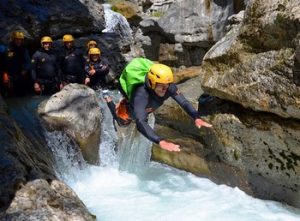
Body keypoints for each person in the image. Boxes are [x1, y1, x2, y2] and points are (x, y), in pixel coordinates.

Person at [104, 58, 212, 152]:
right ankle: (109, 100)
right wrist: (160, 141)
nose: (165, 89)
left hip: (146, 107)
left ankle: (124, 101)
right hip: (131, 109)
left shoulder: (168, 86)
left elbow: (183, 102)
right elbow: (140, 122)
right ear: (151, 83)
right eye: (161, 86)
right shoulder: (141, 95)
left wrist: (196, 117)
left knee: (143, 111)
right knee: (122, 122)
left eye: (167, 85)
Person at [2, 31, 31, 96]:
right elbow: (2, 62)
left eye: (20, 39)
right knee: (10, 95)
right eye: (17, 39)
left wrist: (25, 69)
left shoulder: (24, 50)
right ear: (13, 39)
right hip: (9, 77)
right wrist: (4, 74)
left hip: (20, 76)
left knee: (21, 94)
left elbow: (28, 61)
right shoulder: (6, 49)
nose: (19, 41)